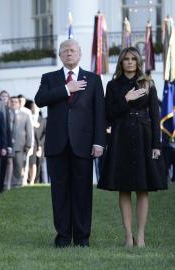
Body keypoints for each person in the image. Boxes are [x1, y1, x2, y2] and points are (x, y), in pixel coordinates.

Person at [35, 39, 105, 248]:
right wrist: (67, 89)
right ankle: (63, 236)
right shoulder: (50, 78)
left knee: (83, 192)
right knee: (60, 193)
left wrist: (99, 142)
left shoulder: (93, 79)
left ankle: (82, 238)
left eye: (72, 50)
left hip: (83, 145)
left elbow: (99, 113)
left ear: (80, 54)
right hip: (57, 145)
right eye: (65, 50)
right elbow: (40, 100)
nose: (69, 53)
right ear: (59, 55)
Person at [97, 47, 167, 247]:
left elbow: (155, 116)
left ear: (138, 62)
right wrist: (126, 99)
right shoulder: (112, 85)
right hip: (121, 138)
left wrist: (156, 144)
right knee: (124, 188)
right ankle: (128, 236)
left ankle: (141, 236)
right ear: (121, 62)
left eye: (133, 59)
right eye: (126, 59)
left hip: (144, 138)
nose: (129, 62)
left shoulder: (148, 83)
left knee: (143, 189)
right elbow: (108, 114)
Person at [9, 96, 33, 187]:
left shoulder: (25, 115)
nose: (14, 103)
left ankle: (17, 183)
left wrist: (28, 144)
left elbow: (29, 131)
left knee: (19, 165)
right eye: (12, 102)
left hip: (20, 145)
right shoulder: (7, 114)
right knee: (9, 165)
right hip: (8, 145)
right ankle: (9, 183)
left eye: (16, 102)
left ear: (19, 104)